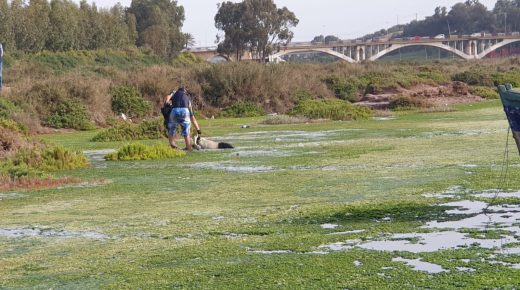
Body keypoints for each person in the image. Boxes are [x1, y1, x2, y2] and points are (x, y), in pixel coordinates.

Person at [164, 86, 201, 151]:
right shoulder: (188, 98)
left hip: (174, 110)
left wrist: (167, 103)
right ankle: (188, 147)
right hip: (185, 111)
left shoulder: (174, 92)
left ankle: (172, 144)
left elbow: (167, 98)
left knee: (171, 128)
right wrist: (198, 129)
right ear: (185, 91)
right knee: (186, 131)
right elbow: (192, 116)